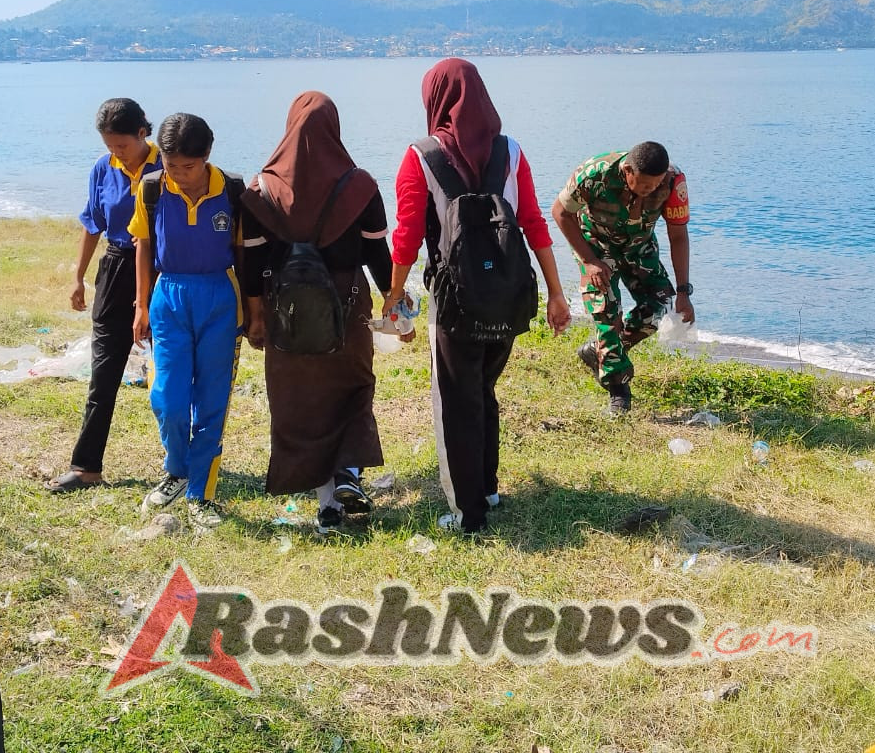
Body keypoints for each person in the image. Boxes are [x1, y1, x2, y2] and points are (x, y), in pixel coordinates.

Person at [383, 58, 571, 534]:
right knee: (483, 391)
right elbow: (532, 223)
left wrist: (393, 292)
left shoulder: (421, 156)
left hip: (454, 301)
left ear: (435, 99)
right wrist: (555, 293)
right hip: (507, 297)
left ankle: (466, 512)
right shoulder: (511, 151)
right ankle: (486, 487)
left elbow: (405, 235)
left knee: (455, 401)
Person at [241, 91, 393, 535]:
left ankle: (326, 502)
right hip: (346, 306)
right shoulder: (359, 185)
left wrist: (255, 316)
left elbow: (250, 263)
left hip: (283, 309)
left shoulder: (261, 188)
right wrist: (393, 300)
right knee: (352, 387)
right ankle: (349, 472)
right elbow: (377, 253)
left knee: (300, 400)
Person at [128, 113, 246, 526]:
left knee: (212, 400)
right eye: (171, 165)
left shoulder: (231, 190)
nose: (179, 175)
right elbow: (143, 245)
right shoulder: (152, 189)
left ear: (207, 156)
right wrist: (141, 305)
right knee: (168, 398)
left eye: (188, 167)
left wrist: (256, 312)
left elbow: (244, 251)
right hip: (169, 297)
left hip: (219, 297)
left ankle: (201, 491)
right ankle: (176, 469)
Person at [47, 98, 162, 493]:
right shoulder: (102, 168)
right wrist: (78, 277)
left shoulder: (170, 167)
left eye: (122, 146)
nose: (116, 153)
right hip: (115, 270)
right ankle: (86, 467)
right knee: (103, 374)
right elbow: (92, 223)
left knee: (170, 373)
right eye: (110, 145)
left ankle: (184, 467)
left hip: (163, 272)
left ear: (143, 134)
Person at [551, 142, 693, 416]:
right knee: (606, 313)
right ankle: (618, 392)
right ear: (627, 170)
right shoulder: (595, 174)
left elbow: (678, 235)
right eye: (643, 186)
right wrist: (589, 261)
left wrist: (684, 291)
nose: (650, 190)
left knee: (660, 305)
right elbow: (560, 212)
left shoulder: (674, 182)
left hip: (639, 246)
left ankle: (600, 352)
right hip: (596, 246)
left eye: (655, 185)